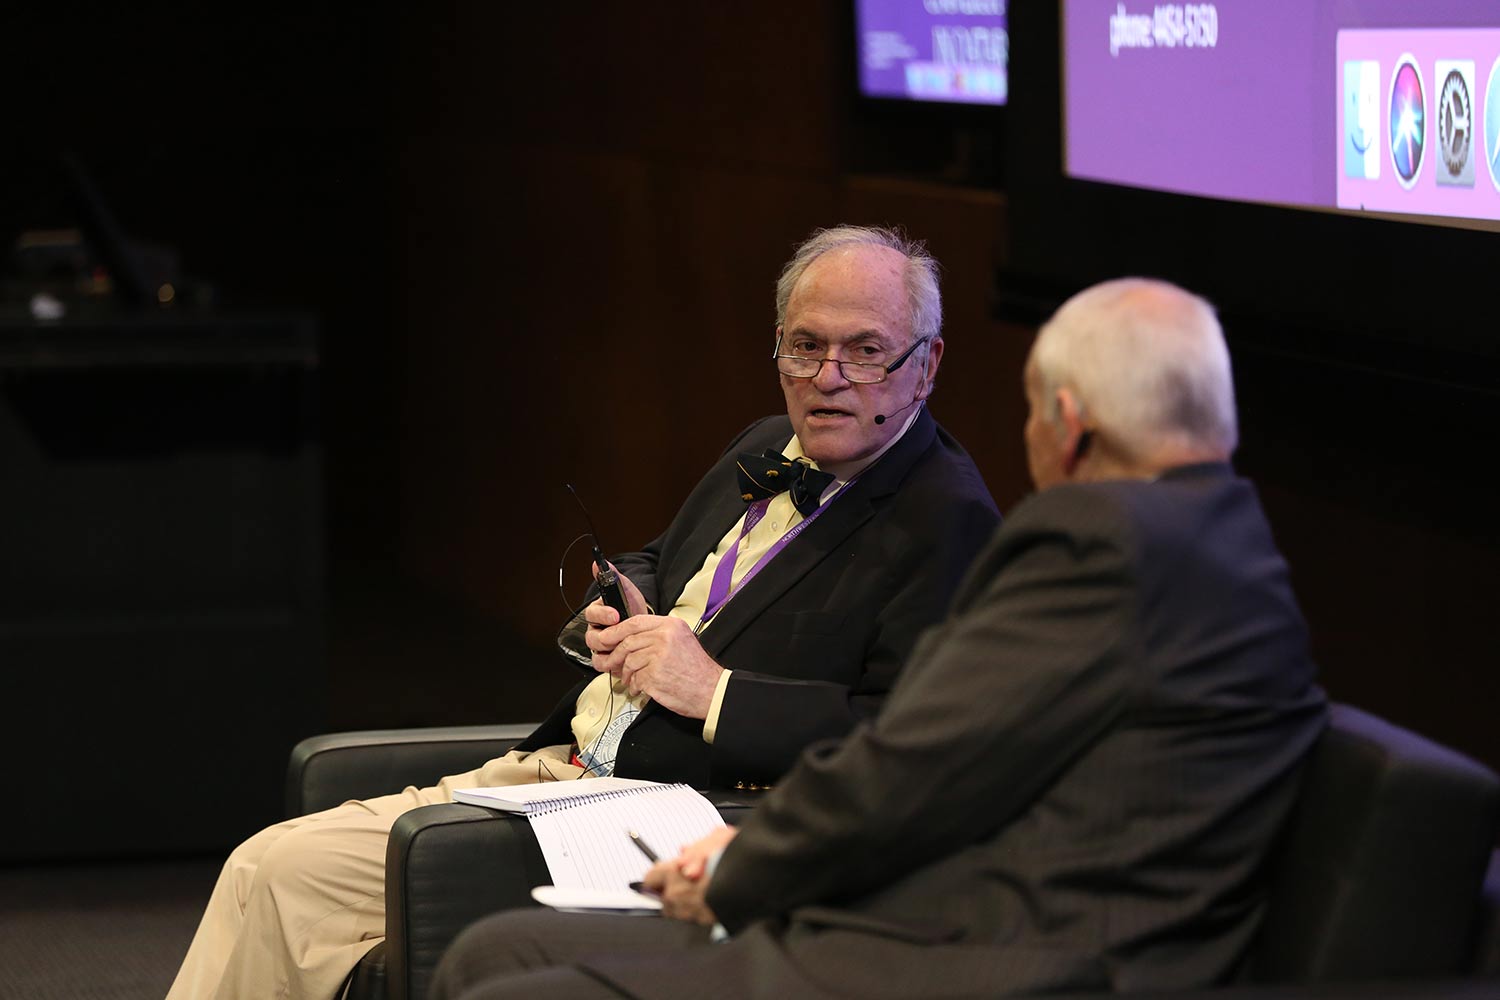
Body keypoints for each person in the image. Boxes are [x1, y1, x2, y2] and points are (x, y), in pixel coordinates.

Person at [426, 277, 1330, 1000]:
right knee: (504, 951)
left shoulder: (1098, 543)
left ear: (1067, 421)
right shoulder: (1233, 547)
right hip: (1058, 928)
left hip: (1007, 954)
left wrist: (746, 867)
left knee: (496, 970)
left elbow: (916, 756)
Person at [166, 225, 1000, 1000]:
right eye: (806, 346)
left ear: (925, 367)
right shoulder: (763, 443)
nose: (827, 377)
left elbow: (906, 748)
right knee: (266, 873)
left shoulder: (944, 518)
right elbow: (660, 560)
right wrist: (622, 603)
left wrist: (712, 690)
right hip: (565, 768)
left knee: (281, 876)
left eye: (865, 354)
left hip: (666, 816)